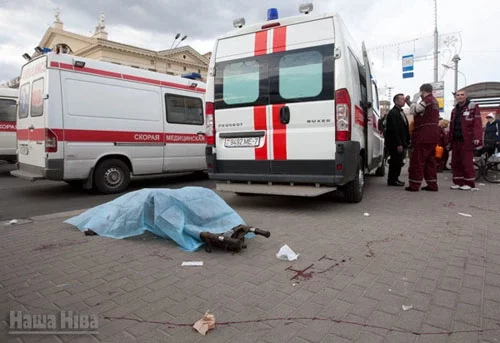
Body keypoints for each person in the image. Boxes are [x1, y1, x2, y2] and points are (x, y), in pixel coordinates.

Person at [404, 83, 440, 192]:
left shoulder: (427, 100)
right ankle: (432, 185)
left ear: (422, 91)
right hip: (433, 135)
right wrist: (409, 102)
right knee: (430, 161)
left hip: (423, 135)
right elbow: (420, 110)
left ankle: (414, 185)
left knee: (417, 161)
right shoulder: (434, 101)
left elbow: (414, 111)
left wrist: (414, 100)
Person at [447, 90, 483, 190]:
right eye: (458, 95)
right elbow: (451, 125)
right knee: (455, 162)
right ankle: (458, 182)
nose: (460, 97)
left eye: (462, 95)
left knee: (466, 162)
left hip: (467, 139)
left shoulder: (473, 107)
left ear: (466, 96)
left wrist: (477, 137)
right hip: (455, 139)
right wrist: (449, 139)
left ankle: (469, 183)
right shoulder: (454, 110)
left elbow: (477, 123)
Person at [385, 93, 410, 186]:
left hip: (401, 142)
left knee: (399, 161)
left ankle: (395, 178)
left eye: (404, 99)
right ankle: (392, 180)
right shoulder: (393, 113)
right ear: (395, 101)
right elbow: (393, 130)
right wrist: (398, 143)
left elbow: (404, 127)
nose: (403, 101)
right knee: (395, 161)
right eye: (401, 99)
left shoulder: (401, 112)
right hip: (395, 143)